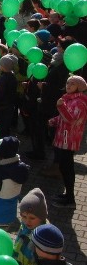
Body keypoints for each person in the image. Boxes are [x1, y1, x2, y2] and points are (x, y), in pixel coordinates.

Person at [47, 74, 87, 208]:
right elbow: (63, 118)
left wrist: (61, 107)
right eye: (68, 83)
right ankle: (67, 195)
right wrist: (53, 121)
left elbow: (71, 120)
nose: (68, 86)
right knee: (64, 168)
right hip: (62, 138)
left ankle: (70, 199)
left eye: (72, 84)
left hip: (68, 141)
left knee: (67, 169)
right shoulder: (68, 99)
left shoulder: (80, 102)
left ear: (79, 87)